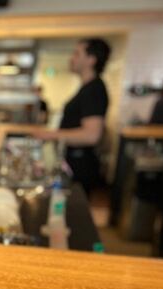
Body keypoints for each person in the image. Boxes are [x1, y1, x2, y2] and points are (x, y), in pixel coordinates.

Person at [33, 38, 111, 194]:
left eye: (77, 54)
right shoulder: (87, 88)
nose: (71, 58)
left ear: (91, 60)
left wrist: (51, 135)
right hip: (74, 162)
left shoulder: (94, 90)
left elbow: (91, 135)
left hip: (81, 166)